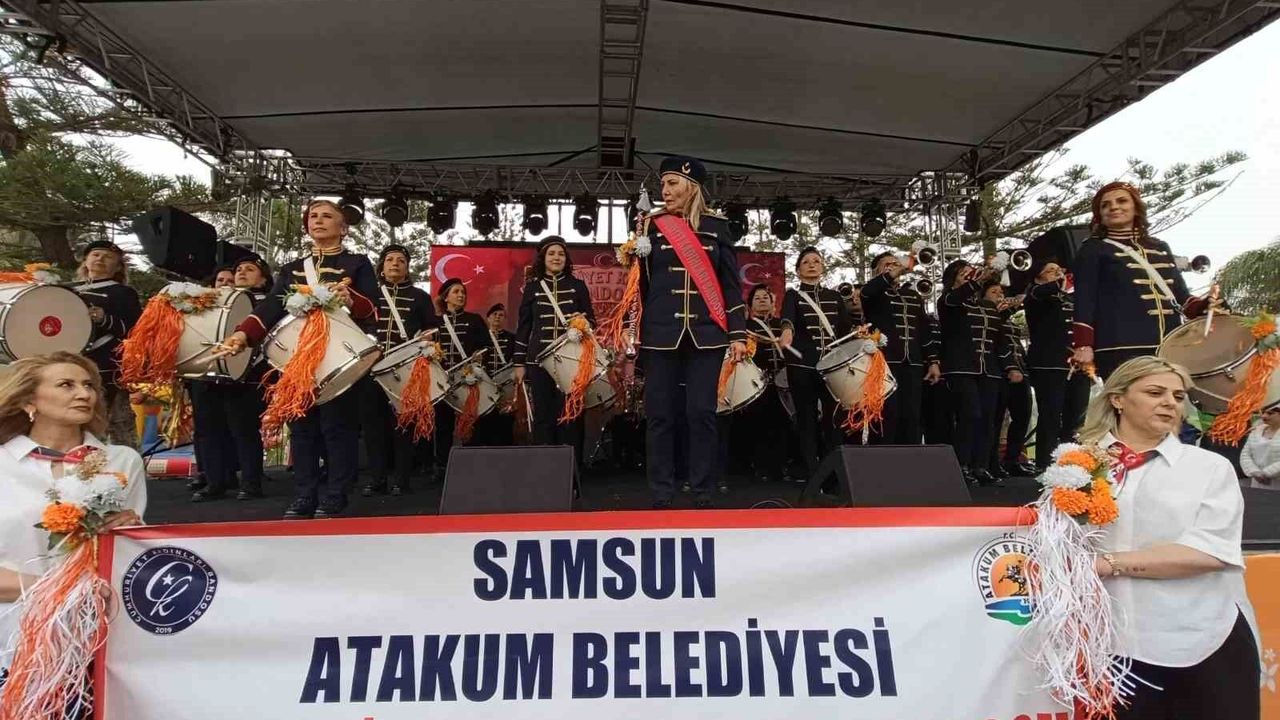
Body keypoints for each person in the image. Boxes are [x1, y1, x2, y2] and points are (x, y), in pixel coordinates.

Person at [1079, 356, 1258, 720]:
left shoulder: (1208, 467)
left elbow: (1208, 553)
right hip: (1110, 649)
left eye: (1177, 396)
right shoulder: (1075, 466)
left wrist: (1107, 564)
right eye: (1155, 392)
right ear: (1117, 399)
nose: (1169, 403)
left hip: (1204, 642)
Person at [214, 199, 379, 519]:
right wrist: (242, 335)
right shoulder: (292, 269)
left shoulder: (357, 263)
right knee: (302, 428)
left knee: (337, 428)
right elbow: (270, 307)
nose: (318, 220)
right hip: (297, 358)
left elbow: (372, 309)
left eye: (327, 216)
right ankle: (304, 495)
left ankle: (336, 494)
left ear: (343, 228)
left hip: (338, 355)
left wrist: (351, 298)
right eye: (313, 216)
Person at [0, 352, 147, 675]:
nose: (84, 394)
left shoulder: (123, 461)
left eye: (88, 385)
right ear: (29, 400)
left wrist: (134, 533)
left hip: (99, 634)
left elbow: (130, 558)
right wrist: (57, 590)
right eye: (66, 385)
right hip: (12, 638)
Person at [637, 156, 746, 509]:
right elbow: (640, 286)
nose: (665, 191)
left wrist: (738, 333)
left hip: (706, 332)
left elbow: (731, 287)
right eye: (663, 184)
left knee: (701, 413)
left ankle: (702, 490)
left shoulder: (717, 227)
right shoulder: (651, 225)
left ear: (692, 187)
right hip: (661, 332)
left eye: (672, 184)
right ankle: (661, 491)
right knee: (659, 415)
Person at [1072, 182, 1211, 380]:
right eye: (1105, 205)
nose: (1114, 207)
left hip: (1170, 345)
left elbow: (1181, 297)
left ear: (1136, 208)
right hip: (1120, 347)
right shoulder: (1092, 249)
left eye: (1122, 201)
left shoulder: (1160, 247)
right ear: (1099, 215)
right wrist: (1083, 345)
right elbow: (1084, 301)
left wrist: (1206, 305)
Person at [189, 257, 275, 502]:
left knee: (243, 429)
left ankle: (251, 482)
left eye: (250, 269)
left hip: (247, 374)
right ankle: (215, 481)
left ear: (263, 279)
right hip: (210, 372)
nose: (241, 273)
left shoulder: (268, 305)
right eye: (238, 269)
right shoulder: (215, 301)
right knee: (208, 429)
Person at [358, 243, 436, 497]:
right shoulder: (369, 296)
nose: (395, 264)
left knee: (403, 425)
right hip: (370, 369)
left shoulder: (419, 297)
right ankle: (377, 479)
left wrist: (428, 338)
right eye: (390, 259)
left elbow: (432, 328)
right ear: (381, 267)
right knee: (373, 426)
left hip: (405, 370)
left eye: (401, 261)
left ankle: (401, 479)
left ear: (407, 268)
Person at [513, 238, 596, 466]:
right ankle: (545, 469)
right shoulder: (532, 287)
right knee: (543, 416)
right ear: (543, 259)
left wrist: (583, 323)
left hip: (571, 360)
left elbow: (592, 321)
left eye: (560, 254)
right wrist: (519, 363)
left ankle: (571, 471)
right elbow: (524, 328)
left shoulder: (578, 286)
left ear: (566, 259)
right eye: (551, 254)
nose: (556, 258)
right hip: (539, 361)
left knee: (571, 415)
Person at [939, 260, 1017, 486]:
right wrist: (977, 281)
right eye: (963, 273)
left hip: (988, 369)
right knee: (969, 414)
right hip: (962, 367)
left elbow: (999, 340)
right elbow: (955, 299)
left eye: (970, 272)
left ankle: (980, 466)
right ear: (953, 278)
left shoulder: (987, 306)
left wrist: (1010, 366)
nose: (968, 275)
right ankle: (961, 464)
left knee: (987, 418)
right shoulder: (947, 300)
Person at [780, 247, 853, 480]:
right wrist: (787, 331)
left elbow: (845, 329)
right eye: (806, 262)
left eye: (816, 261)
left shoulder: (835, 297)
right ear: (798, 270)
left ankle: (835, 475)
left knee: (834, 421)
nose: (812, 265)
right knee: (807, 421)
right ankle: (812, 475)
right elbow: (787, 318)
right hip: (802, 366)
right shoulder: (793, 296)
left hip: (832, 367)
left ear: (823, 267)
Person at [860, 251, 941, 445]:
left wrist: (933, 361)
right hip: (884, 362)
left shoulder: (912, 295)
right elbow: (867, 292)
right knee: (887, 413)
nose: (893, 266)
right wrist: (890, 275)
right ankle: (882, 457)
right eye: (887, 264)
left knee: (912, 414)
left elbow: (924, 330)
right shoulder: (873, 293)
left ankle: (910, 456)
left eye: (895, 263)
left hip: (913, 362)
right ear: (876, 271)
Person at [72, 239, 142, 448]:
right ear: (86, 261)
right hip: (71, 364)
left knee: (116, 424)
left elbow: (136, 332)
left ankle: (127, 464)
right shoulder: (66, 291)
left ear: (118, 267)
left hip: (106, 368)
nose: (100, 259)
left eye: (108, 256)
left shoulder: (124, 293)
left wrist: (105, 319)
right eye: (95, 255)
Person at [1024, 257, 1091, 470]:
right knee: (1050, 415)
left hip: (1077, 366)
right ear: (1038, 277)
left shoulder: (1070, 299)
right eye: (1051, 270)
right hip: (1049, 365)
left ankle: (1071, 465)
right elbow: (1041, 292)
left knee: (1076, 416)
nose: (1057, 273)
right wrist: (1067, 277)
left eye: (1058, 269)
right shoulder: (1035, 294)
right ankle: (1045, 465)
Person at [433, 277, 488, 481]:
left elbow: (487, 347)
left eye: (463, 292)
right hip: (442, 380)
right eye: (456, 292)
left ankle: (471, 463)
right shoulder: (435, 322)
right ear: (445, 297)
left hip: (468, 379)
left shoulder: (474, 320)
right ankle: (442, 466)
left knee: (471, 422)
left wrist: (479, 358)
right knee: (443, 424)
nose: (461, 295)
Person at [742, 285, 793, 483]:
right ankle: (760, 466)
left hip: (782, 383)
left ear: (773, 304)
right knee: (758, 425)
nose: (762, 300)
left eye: (766, 297)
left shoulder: (782, 326)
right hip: (756, 383)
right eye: (757, 298)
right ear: (750, 305)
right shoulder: (745, 327)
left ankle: (782, 465)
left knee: (783, 424)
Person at [983, 282, 1034, 478]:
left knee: (1023, 415)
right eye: (994, 292)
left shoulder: (1009, 320)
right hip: (999, 372)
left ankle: (1012, 459)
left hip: (1020, 370)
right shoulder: (987, 316)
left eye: (1001, 292)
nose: (999, 295)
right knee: (995, 419)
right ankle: (991, 462)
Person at [474, 302, 517, 447]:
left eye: (501, 315)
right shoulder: (480, 338)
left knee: (505, 420)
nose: (498, 317)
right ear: (488, 318)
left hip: (505, 386)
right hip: (485, 385)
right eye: (494, 314)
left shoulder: (512, 338)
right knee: (485, 419)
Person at [1240, 406, 1280, 490]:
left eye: (1270, 413)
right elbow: (1245, 454)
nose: (1264, 416)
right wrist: (1254, 471)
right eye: (1263, 412)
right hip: (1257, 480)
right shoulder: (1256, 431)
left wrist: (1266, 473)